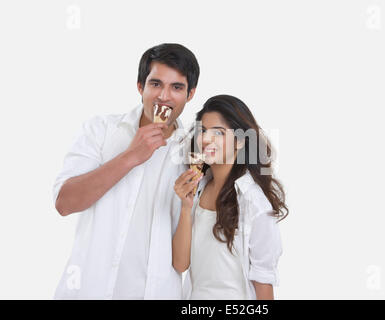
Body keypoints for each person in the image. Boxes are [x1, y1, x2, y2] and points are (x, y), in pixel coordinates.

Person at [52, 43, 199, 299]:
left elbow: (184, 258)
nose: (164, 96)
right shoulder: (100, 130)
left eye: (177, 87)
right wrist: (130, 157)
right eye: (155, 84)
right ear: (140, 87)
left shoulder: (194, 155)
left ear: (190, 94)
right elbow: (65, 203)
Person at [173, 95, 288, 300]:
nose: (207, 139)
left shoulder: (254, 202)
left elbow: (264, 286)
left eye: (219, 132)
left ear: (240, 141)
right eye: (203, 131)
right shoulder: (197, 190)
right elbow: (181, 264)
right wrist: (185, 207)